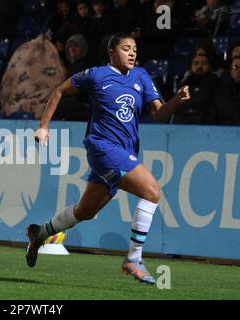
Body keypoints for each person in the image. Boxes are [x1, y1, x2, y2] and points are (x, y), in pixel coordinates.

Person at [25, 33, 190, 284]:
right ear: (111, 52)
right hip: (102, 147)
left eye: (134, 48)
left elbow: (159, 114)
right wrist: (43, 126)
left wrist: (177, 100)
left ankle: (39, 234)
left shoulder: (141, 77)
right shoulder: (96, 75)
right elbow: (59, 90)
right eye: (126, 48)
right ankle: (134, 259)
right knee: (152, 191)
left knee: (85, 211)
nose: (132, 53)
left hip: (125, 151)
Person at [175, 53, 219, 124]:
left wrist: (189, 106)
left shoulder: (214, 80)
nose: (199, 66)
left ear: (209, 66)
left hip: (207, 122)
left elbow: (202, 100)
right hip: (185, 121)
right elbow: (177, 101)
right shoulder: (186, 81)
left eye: (204, 63)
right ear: (191, 67)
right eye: (196, 63)